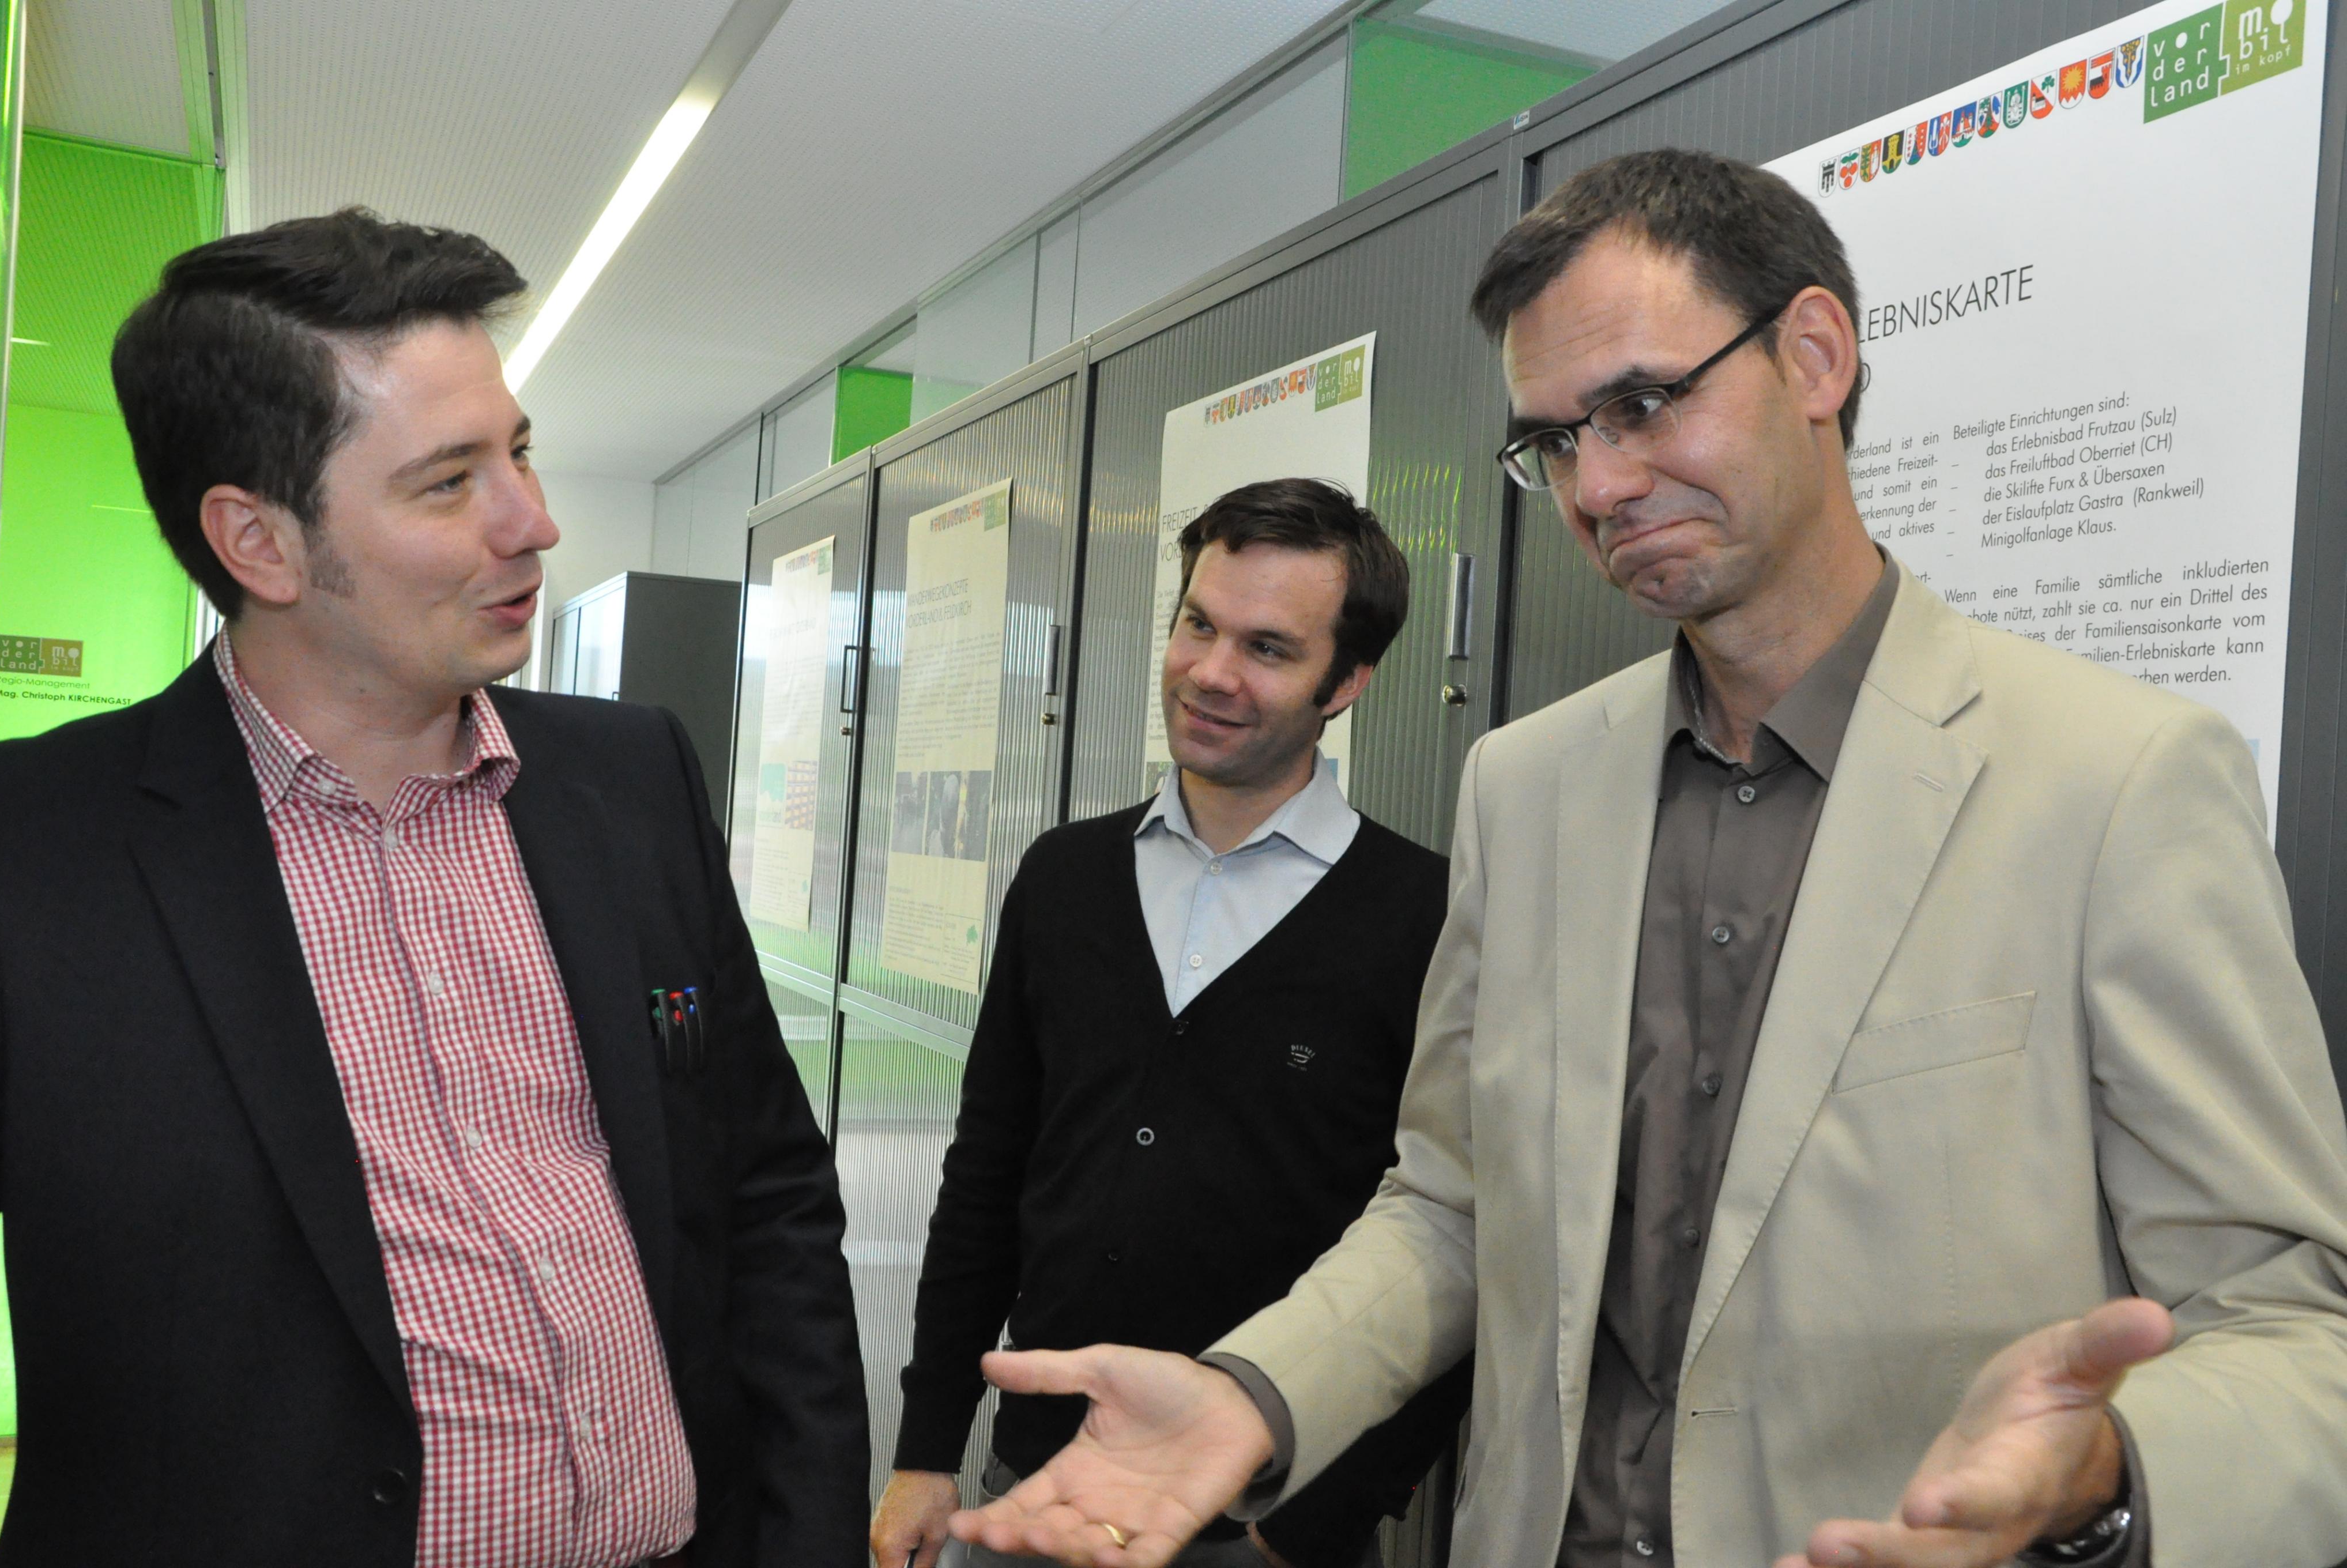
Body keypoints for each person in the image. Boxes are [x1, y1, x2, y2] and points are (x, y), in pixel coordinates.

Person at [948, 151, 2347, 1568]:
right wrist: (1255, 1394)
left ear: (1813, 356)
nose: (1598, 485)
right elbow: (1450, 1206)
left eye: (1639, 405)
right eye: (1554, 441)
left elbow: (2290, 1325)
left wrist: (2106, 1479)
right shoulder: (1526, 788)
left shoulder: (2115, 783)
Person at [0, 209, 869, 1566]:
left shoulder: (632, 780)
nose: (533, 521)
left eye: (518, 451)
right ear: (260, 542)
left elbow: (767, 1194)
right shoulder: (32, 848)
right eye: (450, 482)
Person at [869, 480, 1470, 1568]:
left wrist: (1311, 1530)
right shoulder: (1065, 878)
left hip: (1266, 1523)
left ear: (1348, 681)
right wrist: (926, 1448)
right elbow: (988, 1177)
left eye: (1268, 649)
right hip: (1031, 1492)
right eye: (1199, 624)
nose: (1211, 673)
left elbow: (1456, 1243)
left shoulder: (1425, 917)